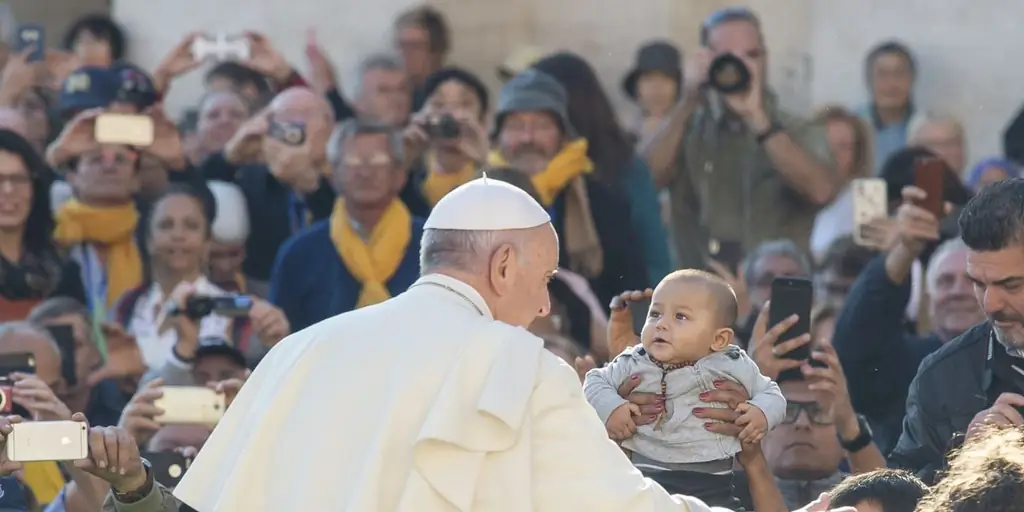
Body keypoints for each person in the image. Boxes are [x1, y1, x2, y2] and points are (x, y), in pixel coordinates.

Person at [106, 176, 783, 510]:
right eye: (544, 280)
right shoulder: (517, 366)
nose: (545, 305)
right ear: (504, 267)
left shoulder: (297, 350)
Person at [584, 269, 785, 507]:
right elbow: (593, 381)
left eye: (680, 317)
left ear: (719, 340)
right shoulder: (634, 360)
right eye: (655, 314)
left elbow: (772, 394)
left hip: (713, 485)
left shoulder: (732, 364)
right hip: (647, 477)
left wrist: (760, 413)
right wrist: (612, 408)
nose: (661, 324)